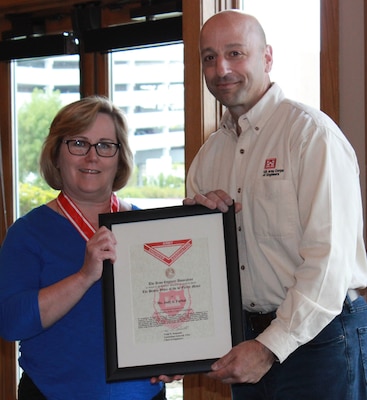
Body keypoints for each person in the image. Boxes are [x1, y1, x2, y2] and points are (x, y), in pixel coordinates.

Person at [184, 10, 367, 400]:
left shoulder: (311, 136)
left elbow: (328, 263)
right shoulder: (207, 158)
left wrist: (269, 347)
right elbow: (200, 270)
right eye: (209, 57)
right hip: (246, 340)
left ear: (266, 57)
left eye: (236, 53)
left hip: (319, 339)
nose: (222, 69)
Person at [0, 96, 168, 399]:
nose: (92, 157)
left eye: (105, 145)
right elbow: (11, 323)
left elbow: (167, 309)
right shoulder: (27, 233)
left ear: (119, 157)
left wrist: (175, 354)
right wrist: (84, 276)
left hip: (144, 394)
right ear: (56, 154)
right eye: (78, 143)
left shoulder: (145, 228)